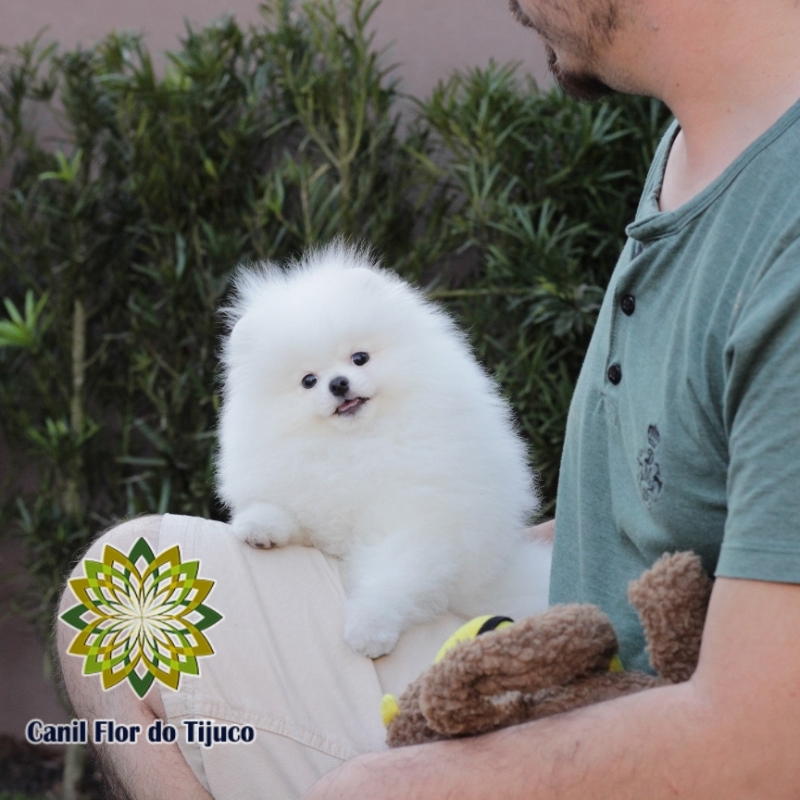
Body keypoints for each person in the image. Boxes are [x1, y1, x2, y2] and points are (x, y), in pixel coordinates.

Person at [57, 0, 800, 797]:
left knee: (125, 620)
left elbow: (766, 740)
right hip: (530, 643)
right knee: (125, 594)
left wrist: (394, 786)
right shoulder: (703, 145)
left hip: (612, 727)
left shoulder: (780, 233)